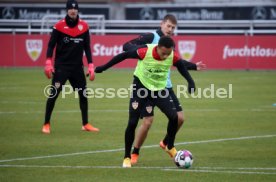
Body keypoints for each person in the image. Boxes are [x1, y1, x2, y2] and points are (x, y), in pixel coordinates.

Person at [95, 36, 196, 168]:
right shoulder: (144, 51)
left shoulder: (172, 55)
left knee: (174, 117)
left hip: (159, 89)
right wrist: (103, 67)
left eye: (168, 53)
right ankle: (127, 157)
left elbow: (181, 66)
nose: (166, 56)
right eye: (163, 53)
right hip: (141, 88)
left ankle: (169, 146)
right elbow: (123, 55)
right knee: (132, 122)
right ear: (158, 47)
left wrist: (191, 81)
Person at [123, 14, 206, 164]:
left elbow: (177, 61)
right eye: (168, 26)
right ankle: (135, 153)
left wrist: (194, 66)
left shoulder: (168, 43)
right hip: (146, 86)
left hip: (164, 87)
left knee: (180, 118)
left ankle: (166, 144)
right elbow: (126, 46)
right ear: (162, 24)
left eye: (173, 28)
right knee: (148, 121)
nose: (170, 29)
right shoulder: (150, 37)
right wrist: (142, 50)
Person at [41, 0, 99, 134]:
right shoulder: (58, 26)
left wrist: (90, 65)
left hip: (77, 67)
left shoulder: (84, 26)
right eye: (70, 9)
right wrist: (48, 62)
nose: (73, 11)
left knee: (83, 94)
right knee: (53, 94)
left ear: (78, 10)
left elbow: (87, 47)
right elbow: (51, 45)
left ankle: (85, 124)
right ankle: (46, 124)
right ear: (67, 10)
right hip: (61, 66)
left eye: (75, 9)